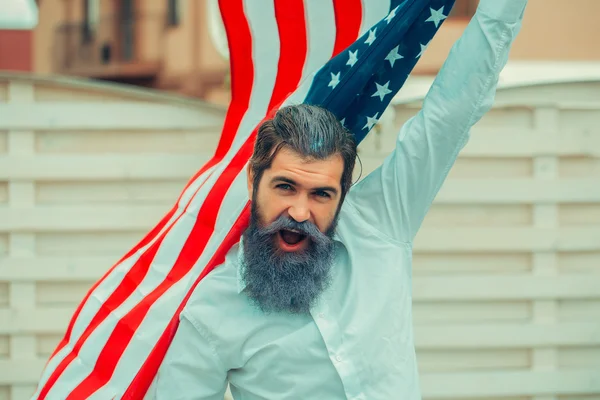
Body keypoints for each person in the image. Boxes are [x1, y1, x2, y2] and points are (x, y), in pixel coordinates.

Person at [152, 0, 528, 398]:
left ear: (343, 192)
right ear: (253, 180)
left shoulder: (382, 222)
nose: (299, 212)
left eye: (321, 194)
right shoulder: (212, 307)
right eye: (285, 187)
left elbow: (450, 112)